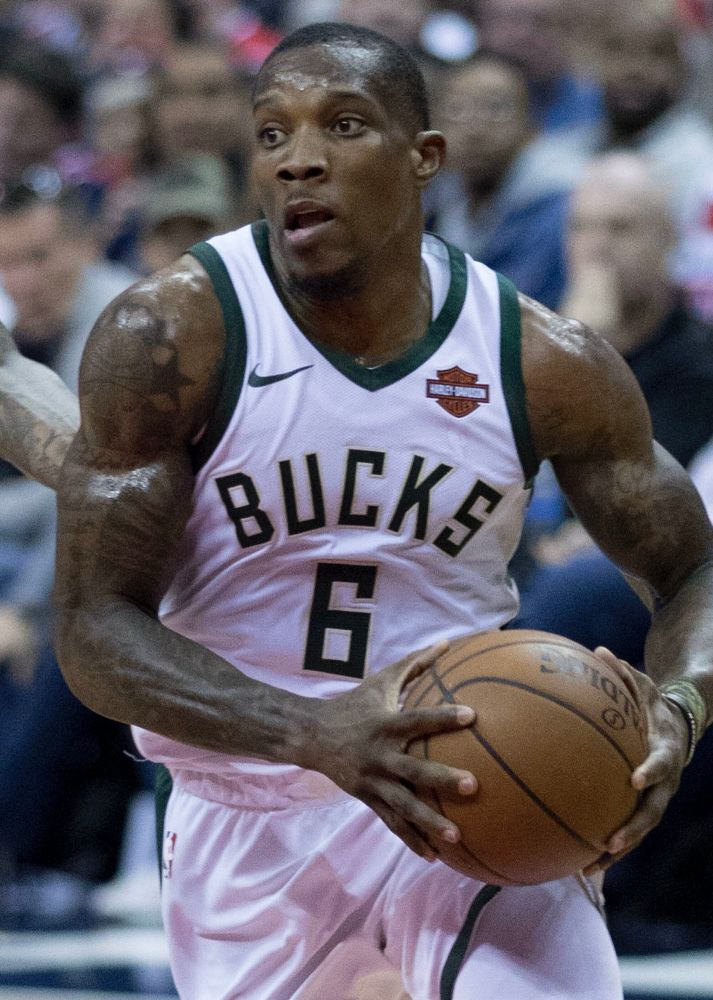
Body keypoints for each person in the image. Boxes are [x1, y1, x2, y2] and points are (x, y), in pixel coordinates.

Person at [41, 20, 712, 1000]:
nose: (298, 160)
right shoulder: (171, 335)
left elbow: (692, 569)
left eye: (343, 124)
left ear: (423, 156)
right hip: (252, 815)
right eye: (271, 134)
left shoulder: (538, 357)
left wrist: (678, 710)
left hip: (473, 780)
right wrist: (312, 732)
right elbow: (92, 630)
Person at [428, 50, 570, 309]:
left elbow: (514, 310)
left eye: (496, 109)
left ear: (533, 125)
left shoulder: (560, 210)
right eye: (456, 110)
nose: (474, 129)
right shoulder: (432, 201)